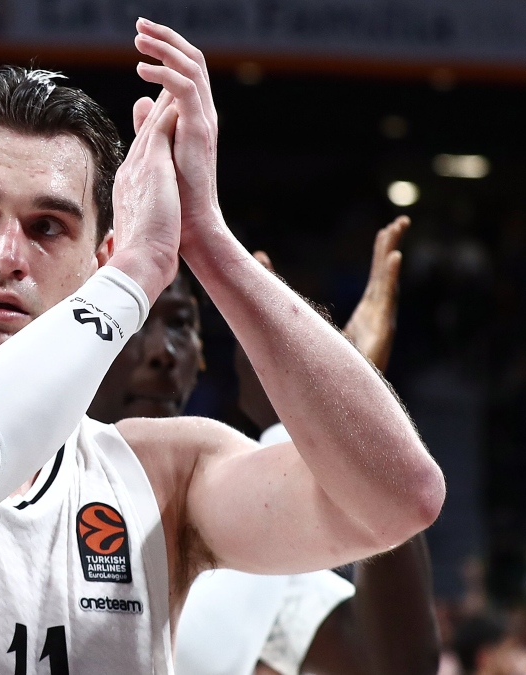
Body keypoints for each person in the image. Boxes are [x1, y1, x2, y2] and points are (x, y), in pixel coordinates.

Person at [0, 19, 445, 674]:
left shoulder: (161, 479)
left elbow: (399, 500)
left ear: (98, 255)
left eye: (48, 227)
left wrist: (207, 240)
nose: (6, 255)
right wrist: (135, 275)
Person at [88, 217, 443, 675]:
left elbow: (397, 665)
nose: (161, 352)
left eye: (178, 323)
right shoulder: (20, 472)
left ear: (201, 355)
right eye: (132, 321)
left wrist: (344, 411)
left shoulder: (244, 508)